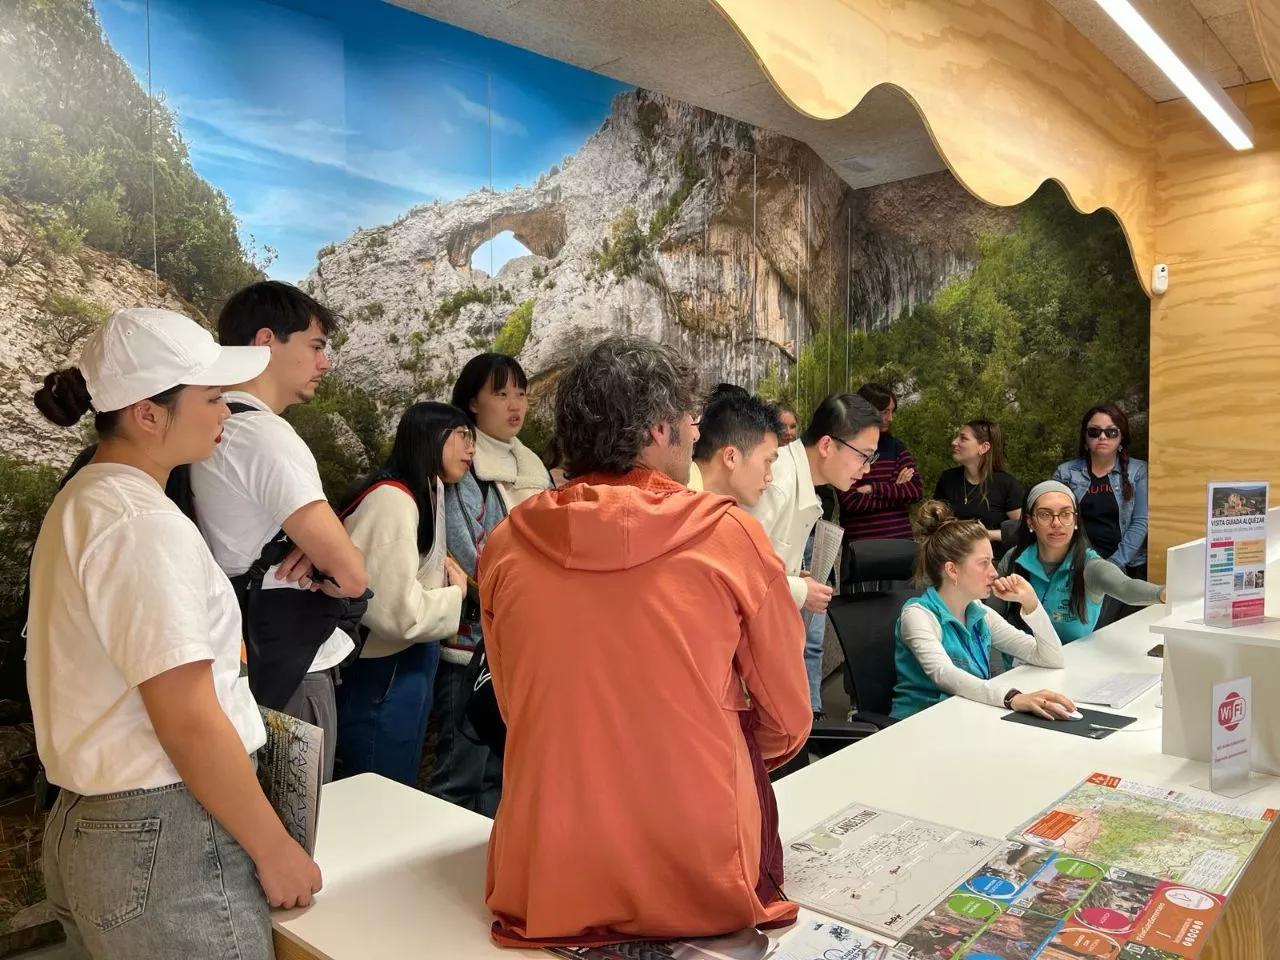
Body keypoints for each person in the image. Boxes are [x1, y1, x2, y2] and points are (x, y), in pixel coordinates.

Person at [480, 336, 811, 949]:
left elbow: (514, 704)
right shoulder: (729, 535)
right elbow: (788, 718)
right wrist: (707, 745)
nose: (695, 435)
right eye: (689, 421)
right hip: (701, 865)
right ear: (659, 430)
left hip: (549, 867)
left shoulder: (504, 545)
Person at [28, 308, 321, 958]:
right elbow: (186, 718)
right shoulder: (140, 523)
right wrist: (275, 849)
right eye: (212, 396)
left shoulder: (87, 500)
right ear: (148, 414)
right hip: (166, 832)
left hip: (98, 824)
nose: (226, 412)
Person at [189, 281, 369, 784]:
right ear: (266, 341)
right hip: (292, 664)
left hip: (238, 651)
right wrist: (327, 560)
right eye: (315, 346)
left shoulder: (209, 427)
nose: (324, 363)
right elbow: (352, 576)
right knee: (300, 826)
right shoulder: (266, 436)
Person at [431, 352, 550, 816]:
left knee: (502, 771)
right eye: (500, 394)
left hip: (520, 640)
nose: (514, 404)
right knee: (461, 770)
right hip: (472, 644)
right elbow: (466, 549)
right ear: (473, 403)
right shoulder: (464, 463)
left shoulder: (530, 463)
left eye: (520, 393)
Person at [335, 403, 475, 786]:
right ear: (429, 437)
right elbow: (392, 610)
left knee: (399, 775)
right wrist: (456, 595)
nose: (471, 448)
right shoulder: (393, 499)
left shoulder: (430, 489)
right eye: (462, 436)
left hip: (409, 659)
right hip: (386, 664)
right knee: (379, 782)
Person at [890, 501, 1073, 721]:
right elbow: (943, 674)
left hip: (967, 716)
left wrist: (1031, 604)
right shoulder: (918, 615)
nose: (994, 572)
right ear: (952, 569)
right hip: (919, 725)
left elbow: (1052, 658)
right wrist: (1011, 697)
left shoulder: (977, 611)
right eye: (983, 563)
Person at [747, 392, 883, 614]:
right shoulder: (774, 482)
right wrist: (799, 590)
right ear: (826, 446)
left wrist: (790, 575)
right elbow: (739, 571)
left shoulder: (799, 477)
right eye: (863, 456)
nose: (867, 468)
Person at [998, 481, 1166, 644]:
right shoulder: (1014, 559)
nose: (1056, 523)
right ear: (1030, 522)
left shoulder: (1091, 566)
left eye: (1065, 514)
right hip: (1017, 666)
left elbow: (1125, 587)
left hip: (1070, 665)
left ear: (1076, 521)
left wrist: (1161, 593)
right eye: (1045, 515)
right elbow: (991, 617)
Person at [1054, 403, 1149, 578]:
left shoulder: (1138, 471)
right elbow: (1055, 519)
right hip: (1075, 564)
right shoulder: (1065, 473)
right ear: (1085, 437)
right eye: (1094, 432)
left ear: (1121, 437)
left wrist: (1112, 566)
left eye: (1111, 432)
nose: (1103, 437)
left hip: (1124, 567)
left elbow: (1140, 523)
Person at [837, 383, 922, 543]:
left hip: (901, 546)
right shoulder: (844, 448)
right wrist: (896, 489)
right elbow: (851, 502)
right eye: (884, 412)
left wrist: (872, 488)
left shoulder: (896, 447)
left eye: (892, 411)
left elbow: (915, 491)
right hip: (862, 549)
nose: (890, 418)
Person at [933, 419, 1023, 556]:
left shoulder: (1006, 484)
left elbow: (1023, 530)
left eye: (963, 438)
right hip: (953, 559)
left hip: (994, 563)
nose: (954, 442)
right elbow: (935, 522)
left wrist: (987, 534)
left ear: (984, 447)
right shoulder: (947, 479)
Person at [690, 391, 783, 507]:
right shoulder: (676, 505)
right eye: (768, 461)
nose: (770, 477)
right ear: (731, 457)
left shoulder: (706, 507)